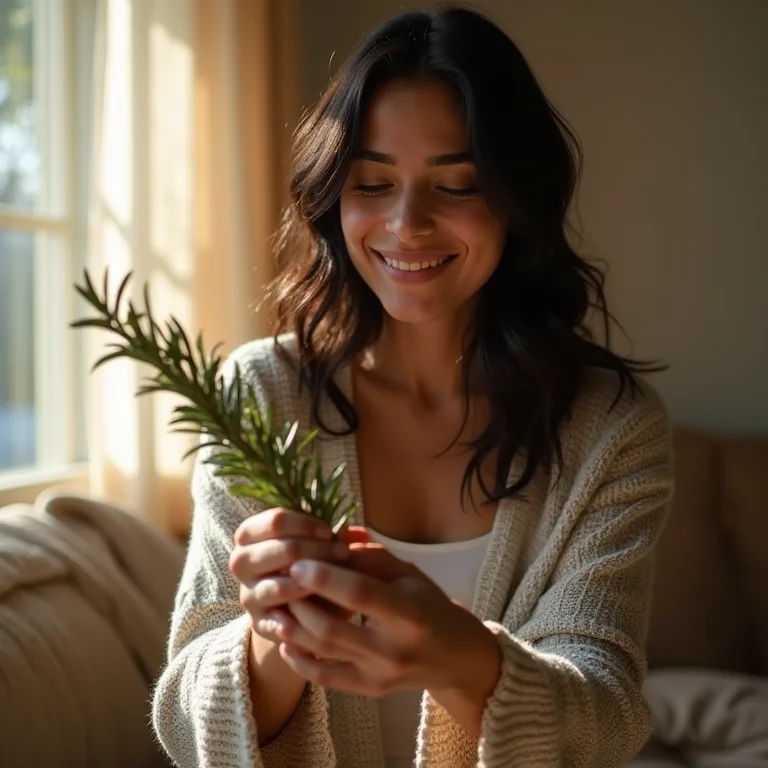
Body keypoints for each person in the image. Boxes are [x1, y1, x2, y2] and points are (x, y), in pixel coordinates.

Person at [152, 6, 674, 768]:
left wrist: (458, 656)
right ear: (336, 194)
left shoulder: (611, 428)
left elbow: (606, 718)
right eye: (373, 181)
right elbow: (183, 720)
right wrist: (273, 629)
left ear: (515, 201)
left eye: (457, 186)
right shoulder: (260, 393)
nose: (407, 223)